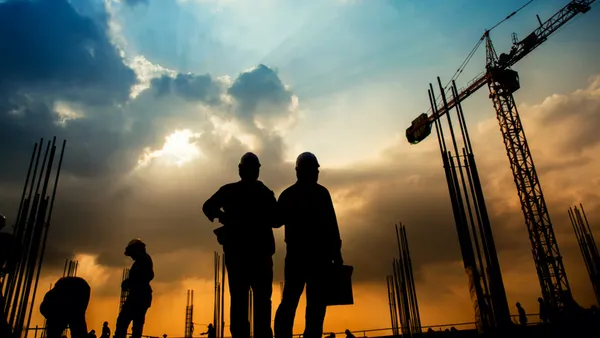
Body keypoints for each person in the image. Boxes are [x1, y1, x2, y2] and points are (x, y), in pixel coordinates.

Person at [203, 152, 278, 338]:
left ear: (241, 170)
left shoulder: (230, 191)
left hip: (239, 255)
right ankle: (261, 335)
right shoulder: (265, 193)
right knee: (260, 300)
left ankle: (242, 335)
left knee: (239, 300)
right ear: (257, 170)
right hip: (259, 255)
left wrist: (223, 217)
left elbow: (208, 207)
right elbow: (277, 220)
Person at [274, 152, 344, 338]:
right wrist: (336, 254)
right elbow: (332, 226)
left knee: (302, 303)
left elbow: (275, 220)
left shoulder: (290, 195)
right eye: (314, 170)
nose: (316, 173)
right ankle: (307, 337)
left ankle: (287, 336)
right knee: (310, 304)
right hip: (314, 258)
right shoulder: (320, 194)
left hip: (304, 258)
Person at [114, 239, 154, 338]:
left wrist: (130, 282)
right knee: (135, 323)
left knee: (125, 321)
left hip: (139, 297)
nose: (131, 256)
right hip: (139, 296)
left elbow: (149, 275)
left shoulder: (144, 260)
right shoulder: (141, 260)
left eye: (132, 254)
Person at [1, 213, 21, 338]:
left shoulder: (6, 240)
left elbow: (15, 255)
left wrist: (7, 268)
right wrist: (7, 268)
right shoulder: (6, 240)